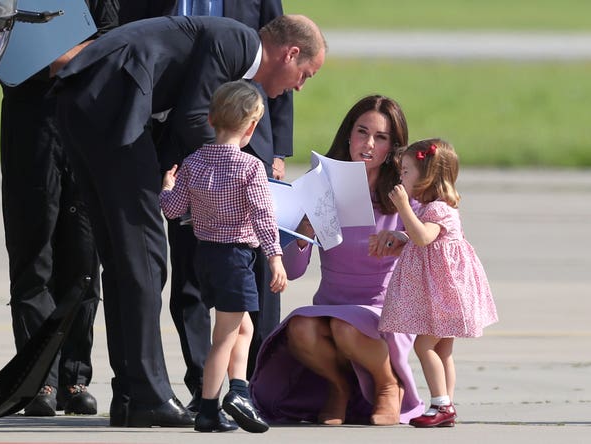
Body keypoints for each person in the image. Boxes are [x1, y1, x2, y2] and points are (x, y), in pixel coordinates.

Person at [53, 14, 325, 427]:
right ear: (290, 54)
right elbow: (195, 118)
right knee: (145, 255)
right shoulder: (237, 41)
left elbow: (183, 116)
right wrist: (234, 177)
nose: (300, 86)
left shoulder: (230, 46)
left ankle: (130, 393)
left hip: (88, 104)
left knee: (122, 255)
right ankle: (147, 394)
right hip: (109, 106)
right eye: (305, 73)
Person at [249, 95, 425, 425]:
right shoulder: (322, 186)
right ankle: (339, 387)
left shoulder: (404, 193)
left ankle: (389, 386)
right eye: (362, 132)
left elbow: (432, 246)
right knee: (300, 327)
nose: (369, 144)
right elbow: (292, 271)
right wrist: (303, 230)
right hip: (330, 305)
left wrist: (403, 240)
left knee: (346, 327)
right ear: (348, 134)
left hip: (381, 309)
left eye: (381, 137)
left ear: (394, 146)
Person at [0, 0, 131, 417]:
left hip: (82, 114)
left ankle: (75, 376)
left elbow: (113, 38)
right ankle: (40, 382)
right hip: (28, 116)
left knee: (83, 255)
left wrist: (68, 55)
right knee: (33, 251)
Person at [161, 0, 294, 413]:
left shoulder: (194, 161)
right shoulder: (252, 167)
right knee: (227, 334)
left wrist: (167, 186)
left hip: (204, 256)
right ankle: (209, 404)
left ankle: (239, 391)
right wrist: (274, 258)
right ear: (253, 126)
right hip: (236, 258)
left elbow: (172, 210)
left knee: (241, 326)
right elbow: (263, 216)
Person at [378, 138, 498, 428]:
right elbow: (424, 240)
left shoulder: (438, 209)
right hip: (444, 288)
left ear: (427, 175)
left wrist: (403, 208)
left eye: (406, 171)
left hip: (443, 291)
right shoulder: (433, 208)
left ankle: (440, 403)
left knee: (424, 345)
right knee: (443, 350)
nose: (401, 176)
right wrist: (403, 237)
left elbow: (424, 238)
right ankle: (446, 404)